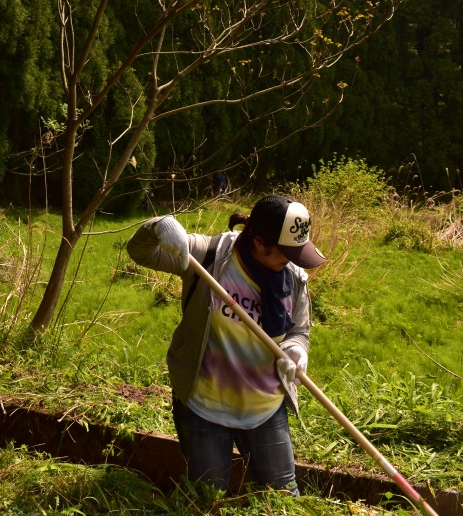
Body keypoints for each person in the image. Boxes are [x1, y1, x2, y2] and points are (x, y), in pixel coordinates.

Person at [126, 195, 326, 495]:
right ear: (259, 242)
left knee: (283, 500)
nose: (293, 261)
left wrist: (296, 349)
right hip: (205, 408)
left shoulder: (294, 277)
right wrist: (158, 226)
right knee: (209, 499)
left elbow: (299, 330)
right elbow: (140, 251)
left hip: (265, 409)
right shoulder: (208, 256)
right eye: (286, 252)